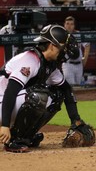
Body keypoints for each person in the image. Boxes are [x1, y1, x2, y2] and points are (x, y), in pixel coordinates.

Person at [0, 24, 86, 153]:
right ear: (52, 45)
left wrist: (76, 119)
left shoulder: (48, 65)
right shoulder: (30, 59)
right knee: (38, 96)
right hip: (2, 102)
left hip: (8, 103)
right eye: (62, 48)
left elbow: (66, 90)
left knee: (57, 94)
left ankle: (26, 136)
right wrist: (5, 125)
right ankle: (15, 140)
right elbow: (10, 92)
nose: (64, 52)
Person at [62, 16, 90, 85]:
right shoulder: (61, 35)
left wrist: (85, 59)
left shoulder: (78, 34)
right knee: (70, 85)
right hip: (68, 65)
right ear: (64, 25)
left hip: (79, 65)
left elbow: (87, 45)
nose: (69, 26)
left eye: (71, 24)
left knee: (78, 86)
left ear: (74, 26)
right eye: (67, 24)